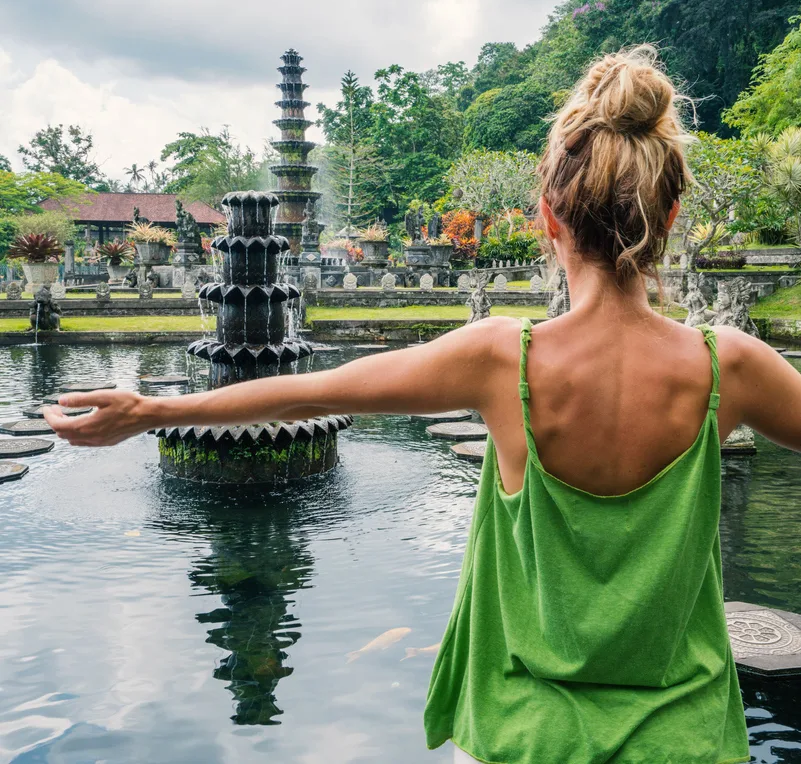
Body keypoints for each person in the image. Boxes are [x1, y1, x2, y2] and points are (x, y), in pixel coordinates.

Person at [43, 46, 801, 764]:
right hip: (685, 738)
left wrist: (152, 412)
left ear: (546, 219)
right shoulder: (725, 366)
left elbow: (312, 389)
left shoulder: (506, 357)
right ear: (669, 220)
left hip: (521, 731)